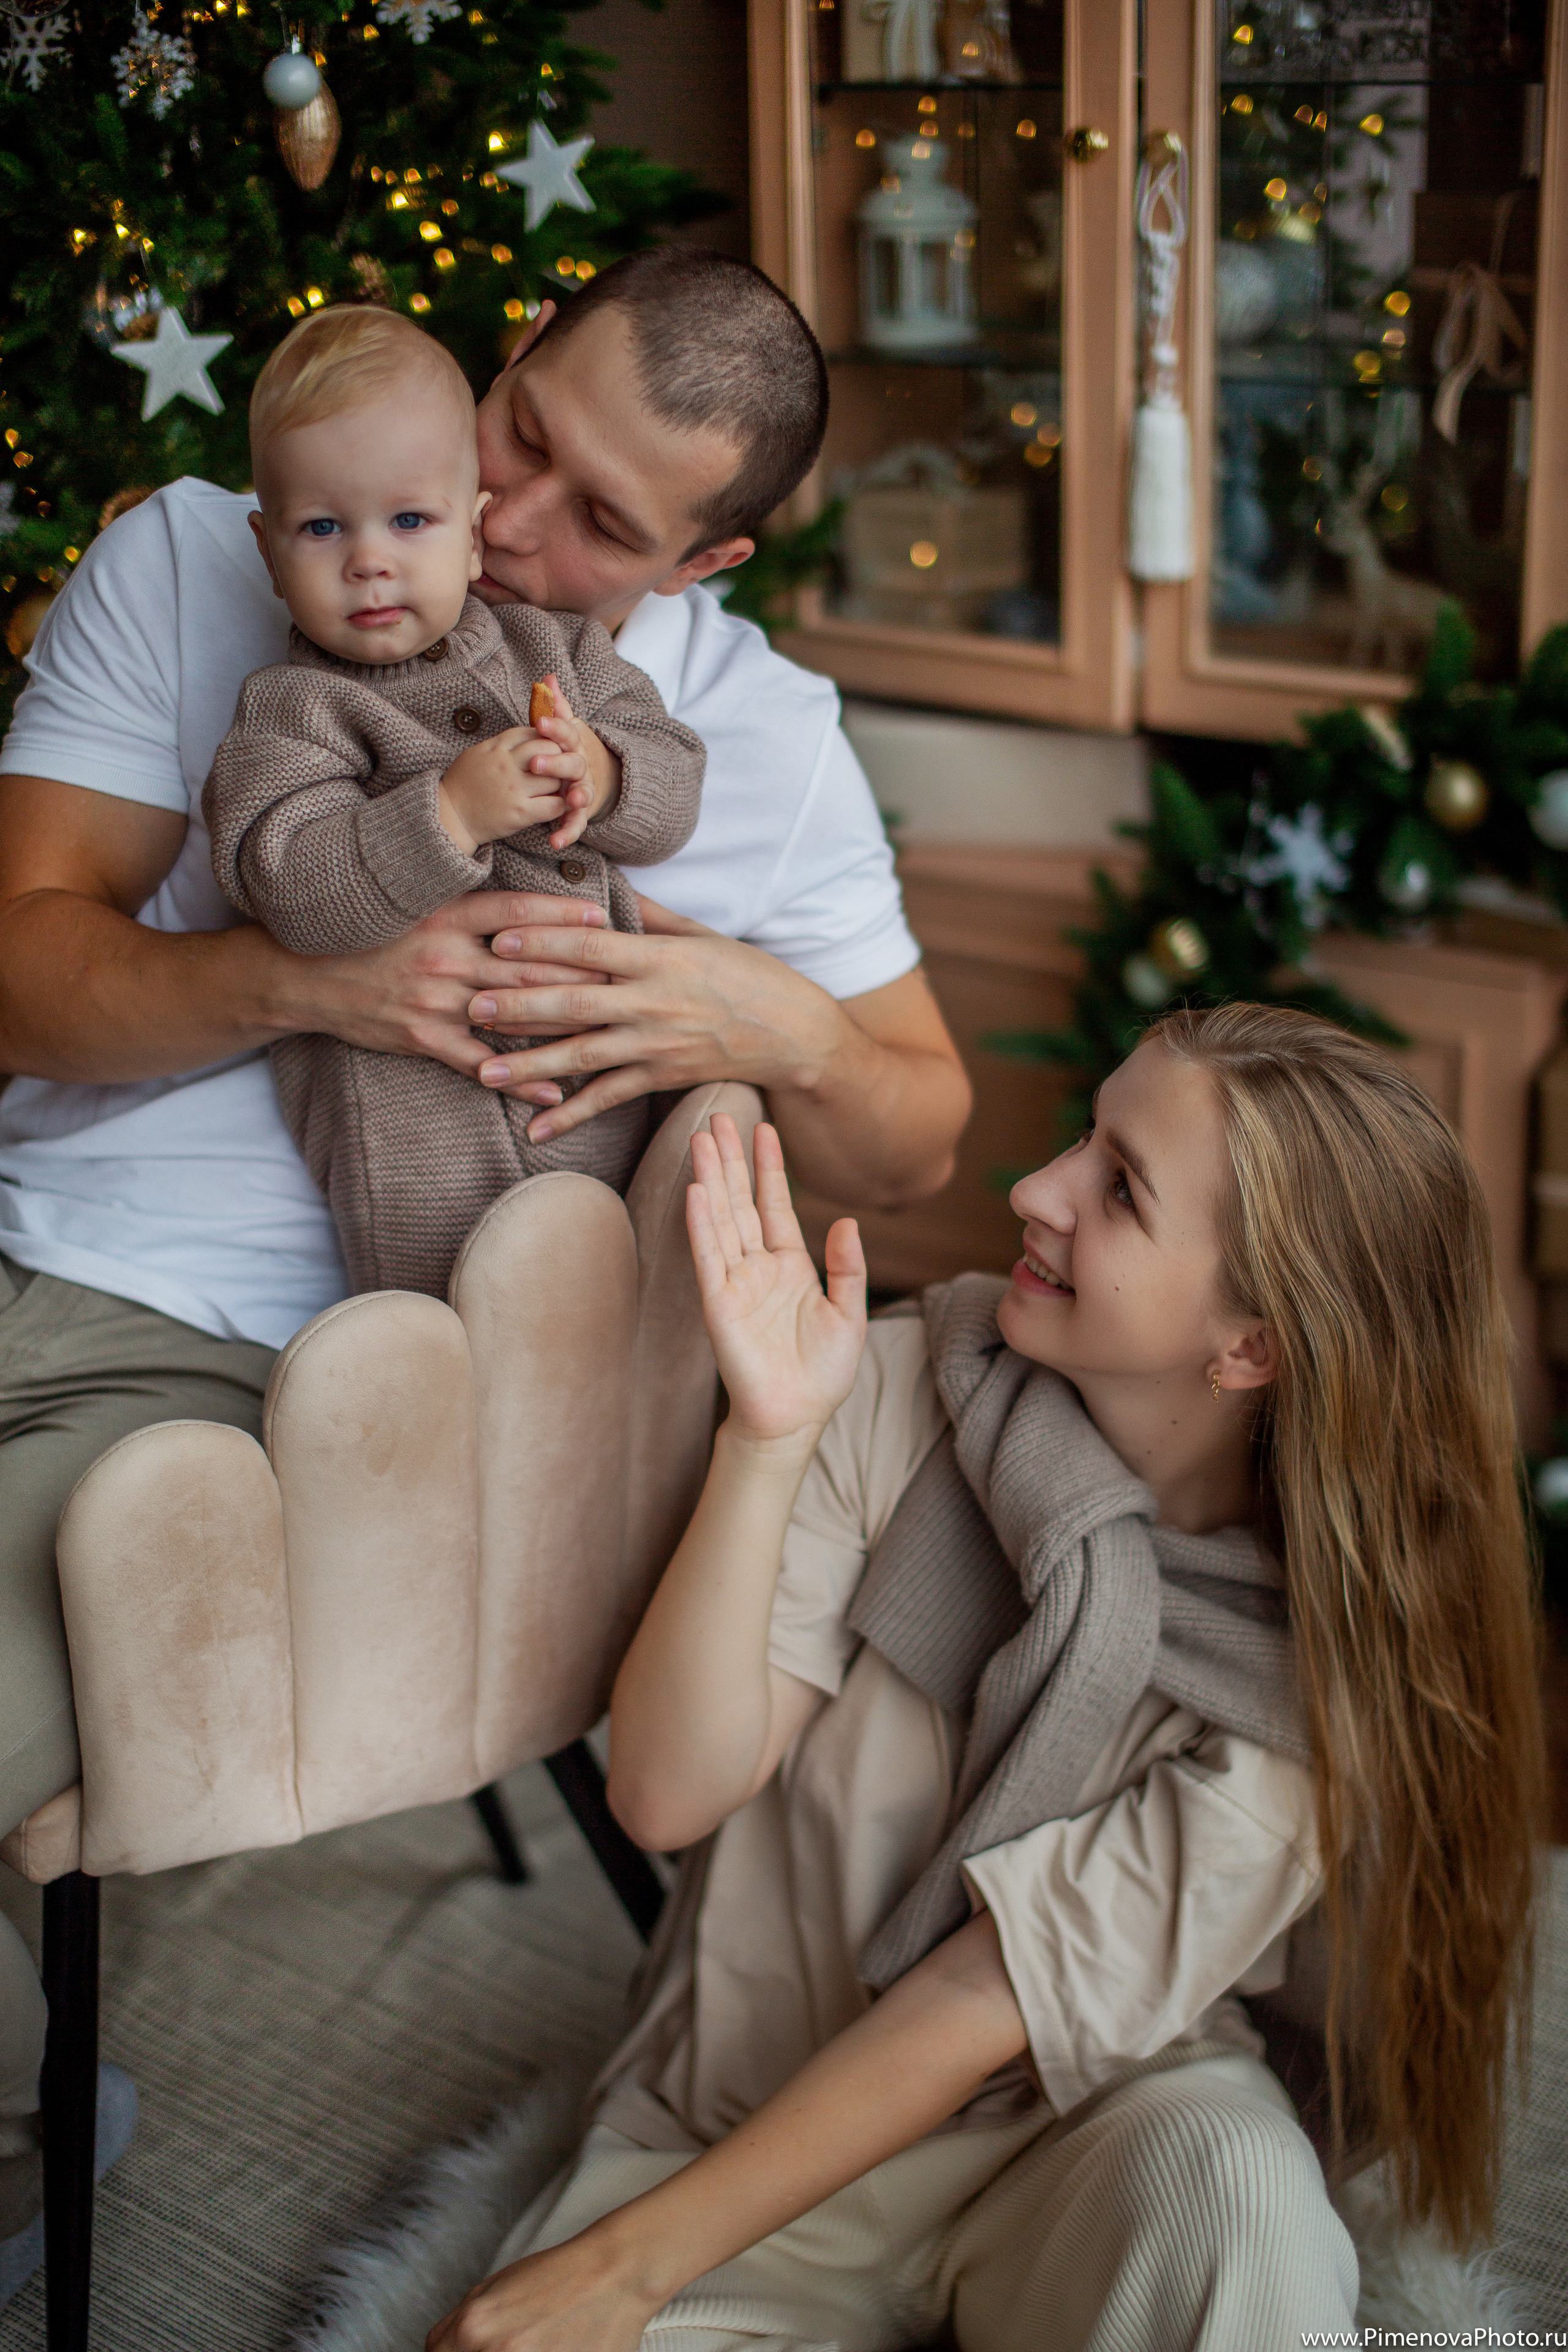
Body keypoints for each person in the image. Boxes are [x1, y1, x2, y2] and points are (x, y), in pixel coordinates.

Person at [0, 249, 968, 2277]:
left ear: (706, 559)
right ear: (508, 353)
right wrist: (303, 980)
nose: (504, 518)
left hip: (291, 1365)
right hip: (42, 1229)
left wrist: (753, 1020)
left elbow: (921, 1119)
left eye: (605, 520)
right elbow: (21, 972)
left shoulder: (745, 738)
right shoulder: (207, 561)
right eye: (523, 432)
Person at [428, 1004, 1544, 2352]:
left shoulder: (1308, 1689)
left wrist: (617, 2272)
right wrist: (767, 1443)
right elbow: (666, 1795)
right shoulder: (902, 1387)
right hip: (737, 2128)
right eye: (1088, 1137)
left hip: (1079, 2144)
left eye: (1118, 1189)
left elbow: (981, 1999)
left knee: (1237, 2191)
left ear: (1247, 1347)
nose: (1035, 1190)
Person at [207, 304, 706, 1296]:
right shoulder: (292, 708)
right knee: (445, 1328)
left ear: (475, 534)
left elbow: (675, 777)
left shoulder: (562, 654)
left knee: (618, 1297)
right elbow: (289, 883)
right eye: (320, 528)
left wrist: (604, 773)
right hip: (410, 1131)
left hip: (591, 1095)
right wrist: (452, 816)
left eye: (408, 520)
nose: (369, 560)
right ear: (268, 550)